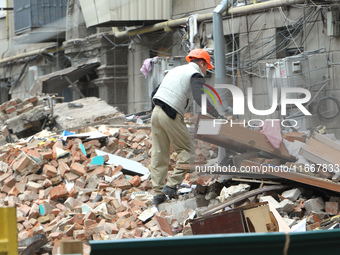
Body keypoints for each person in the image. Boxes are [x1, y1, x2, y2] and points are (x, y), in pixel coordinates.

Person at [150, 48, 224, 206]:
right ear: (202, 63)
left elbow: (155, 91)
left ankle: (157, 195)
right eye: (206, 67)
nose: (206, 71)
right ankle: (170, 186)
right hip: (170, 112)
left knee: (159, 153)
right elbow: (200, 97)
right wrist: (216, 115)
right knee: (189, 152)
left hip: (156, 111)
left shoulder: (176, 70)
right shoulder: (195, 74)